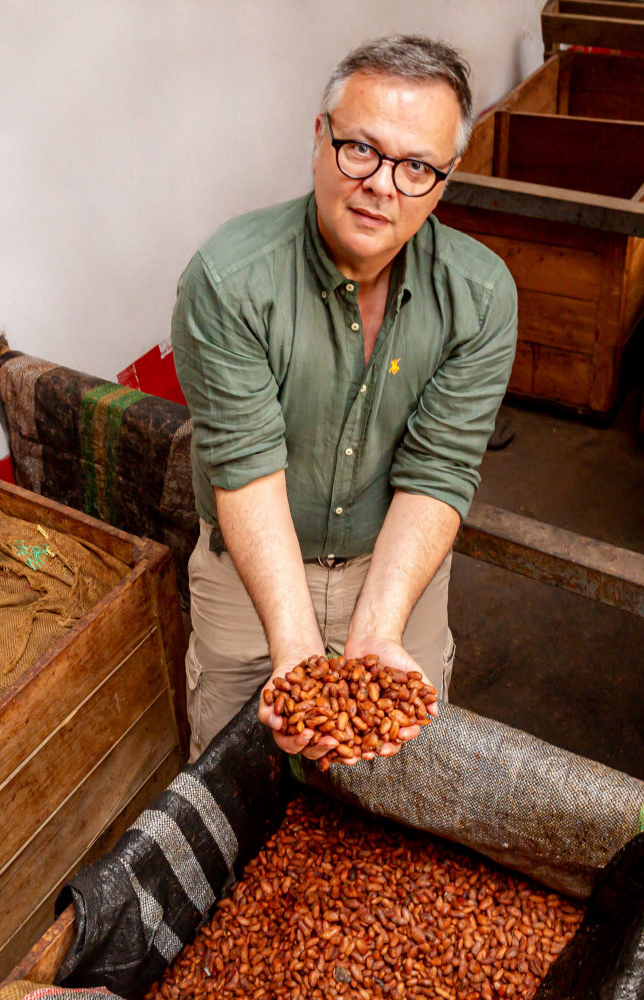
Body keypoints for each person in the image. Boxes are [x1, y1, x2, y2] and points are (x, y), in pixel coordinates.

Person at [172, 34, 517, 761]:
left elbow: (439, 471)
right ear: (320, 137)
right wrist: (295, 649)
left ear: (445, 179)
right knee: (233, 781)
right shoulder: (231, 279)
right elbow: (245, 466)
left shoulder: (481, 297)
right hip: (250, 565)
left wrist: (378, 632)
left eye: (416, 165)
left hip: (395, 566)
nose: (383, 184)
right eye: (360, 148)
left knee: (398, 789)